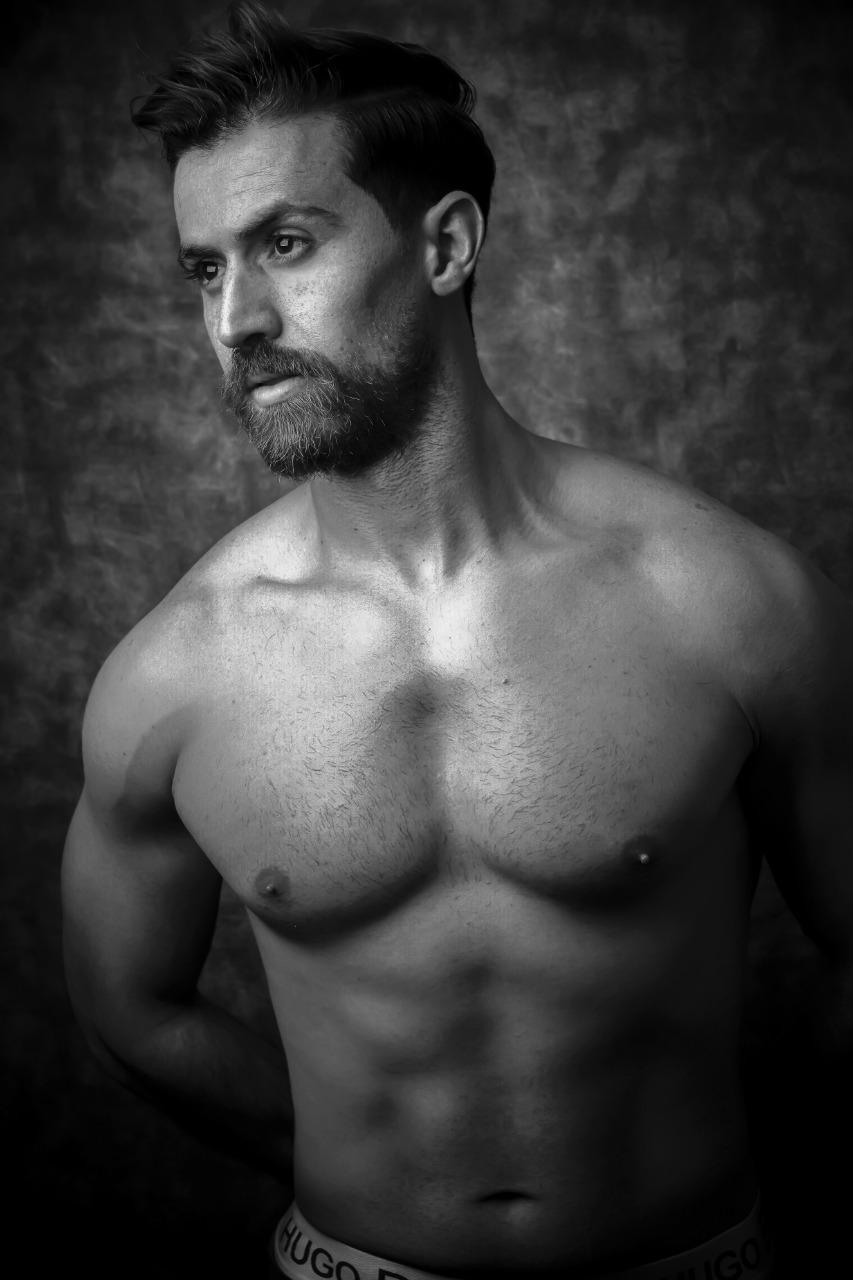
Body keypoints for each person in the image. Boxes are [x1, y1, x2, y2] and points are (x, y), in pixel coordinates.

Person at [61, 3, 853, 1277]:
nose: (235, 318)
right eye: (205, 269)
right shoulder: (177, 671)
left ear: (445, 244)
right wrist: (351, 1173)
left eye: (285, 244)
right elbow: (128, 1008)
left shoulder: (727, 603)